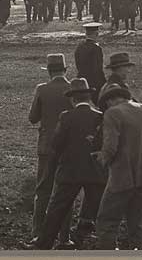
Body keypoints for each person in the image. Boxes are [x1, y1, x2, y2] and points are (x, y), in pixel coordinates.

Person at [92, 83, 142, 249]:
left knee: (107, 220)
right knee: (138, 222)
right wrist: (137, 137)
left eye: (105, 104)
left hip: (121, 177)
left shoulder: (113, 113)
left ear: (111, 100)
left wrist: (102, 158)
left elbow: (111, 147)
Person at [35, 78, 106, 250]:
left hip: (70, 171)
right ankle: (93, 244)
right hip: (95, 171)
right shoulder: (100, 117)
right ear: (88, 96)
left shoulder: (66, 117)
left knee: (57, 210)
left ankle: (43, 245)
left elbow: (57, 144)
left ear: (72, 99)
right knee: (97, 212)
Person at [27, 53, 73, 247]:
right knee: (65, 191)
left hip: (47, 147)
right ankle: (65, 237)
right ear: (64, 70)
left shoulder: (42, 89)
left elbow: (33, 118)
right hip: (69, 149)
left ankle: (38, 234)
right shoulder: (74, 89)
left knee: (43, 191)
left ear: (49, 72)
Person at [74, 22, 106, 105]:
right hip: (94, 82)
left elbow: (78, 64)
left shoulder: (80, 47)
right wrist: (104, 82)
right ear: (96, 34)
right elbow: (98, 68)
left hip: (82, 79)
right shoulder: (96, 48)